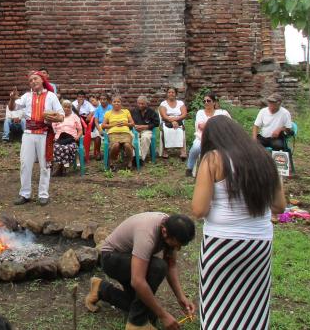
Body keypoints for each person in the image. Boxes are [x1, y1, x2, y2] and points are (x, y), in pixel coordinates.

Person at [191, 115, 286, 329]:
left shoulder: (213, 159)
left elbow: (199, 210)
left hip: (222, 243)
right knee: (253, 304)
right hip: (259, 244)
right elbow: (279, 207)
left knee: (216, 305)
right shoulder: (265, 157)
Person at [84, 212, 196, 330]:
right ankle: (136, 324)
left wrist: (181, 297)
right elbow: (137, 281)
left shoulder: (171, 227)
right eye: (176, 245)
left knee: (150, 313)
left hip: (130, 259)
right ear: (164, 232)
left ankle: (101, 289)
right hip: (111, 259)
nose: (178, 249)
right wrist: (164, 315)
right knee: (158, 267)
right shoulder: (146, 235)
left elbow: (171, 265)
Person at [8, 71, 64, 206]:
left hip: (44, 133)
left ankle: (43, 194)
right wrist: (12, 98)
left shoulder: (51, 96)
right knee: (25, 164)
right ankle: (24, 194)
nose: (33, 81)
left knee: (45, 165)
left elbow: (61, 115)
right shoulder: (26, 96)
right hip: (28, 133)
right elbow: (12, 107)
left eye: (35, 79)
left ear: (42, 80)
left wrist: (54, 117)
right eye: (30, 80)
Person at [186, 93, 231, 177]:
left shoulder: (221, 112)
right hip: (202, 137)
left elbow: (229, 123)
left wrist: (209, 124)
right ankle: (190, 167)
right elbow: (201, 126)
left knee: (228, 149)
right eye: (204, 101)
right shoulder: (200, 113)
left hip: (218, 138)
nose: (206, 102)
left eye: (208, 100)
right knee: (196, 148)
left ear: (214, 102)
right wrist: (217, 125)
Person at [102, 95, 136, 169]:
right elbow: (103, 126)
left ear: (121, 103)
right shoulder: (108, 113)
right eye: (114, 102)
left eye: (118, 102)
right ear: (111, 103)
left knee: (127, 145)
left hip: (125, 133)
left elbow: (132, 124)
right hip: (113, 133)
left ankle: (129, 161)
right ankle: (111, 161)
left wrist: (125, 124)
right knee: (116, 145)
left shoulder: (126, 111)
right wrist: (113, 124)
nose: (116, 103)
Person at [51, 100, 83, 176]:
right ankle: (62, 168)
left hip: (71, 139)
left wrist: (78, 137)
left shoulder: (75, 117)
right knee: (56, 147)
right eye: (65, 107)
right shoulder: (57, 117)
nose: (67, 109)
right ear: (62, 108)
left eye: (69, 107)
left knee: (67, 148)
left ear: (71, 108)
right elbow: (53, 129)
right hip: (59, 139)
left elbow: (80, 130)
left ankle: (60, 168)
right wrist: (55, 137)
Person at [158, 87, 187, 159]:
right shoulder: (163, 104)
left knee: (179, 129)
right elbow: (164, 116)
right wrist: (172, 121)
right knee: (166, 130)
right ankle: (165, 150)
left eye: (173, 92)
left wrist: (176, 120)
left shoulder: (180, 103)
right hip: (167, 121)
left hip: (179, 120)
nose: (171, 94)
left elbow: (184, 114)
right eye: (169, 92)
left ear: (176, 94)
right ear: (167, 94)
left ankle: (182, 151)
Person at [132, 96, 160, 162]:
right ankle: (135, 156)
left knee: (145, 137)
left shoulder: (151, 112)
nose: (140, 105)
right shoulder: (133, 111)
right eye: (139, 103)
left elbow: (156, 123)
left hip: (147, 130)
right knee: (133, 137)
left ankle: (141, 158)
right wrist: (135, 126)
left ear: (146, 104)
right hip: (135, 130)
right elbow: (129, 122)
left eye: (142, 104)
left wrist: (146, 126)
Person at [90, 93, 112, 160]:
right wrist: (99, 129)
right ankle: (98, 152)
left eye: (104, 99)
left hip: (109, 125)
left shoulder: (111, 107)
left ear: (107, 100)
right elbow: (96, 121)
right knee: (97, 135)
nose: (102, 101)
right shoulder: (98, 109)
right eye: (101, 99)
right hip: (99, 125)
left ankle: (110, 152)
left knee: (110, 135)